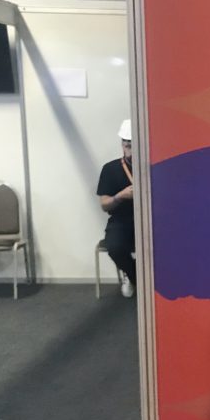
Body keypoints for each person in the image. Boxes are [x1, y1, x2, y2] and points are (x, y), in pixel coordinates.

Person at [97, 119, 136, 298]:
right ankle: (133, 275)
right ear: (122, 144)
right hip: (121, 220)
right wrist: (120, 196)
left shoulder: (152, 167)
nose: (129, 150)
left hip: (152, 220)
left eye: (133, 146)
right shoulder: (110, 169)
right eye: (126, 145)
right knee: (115, 247)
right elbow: (104, 204)